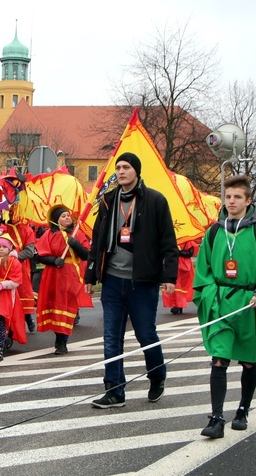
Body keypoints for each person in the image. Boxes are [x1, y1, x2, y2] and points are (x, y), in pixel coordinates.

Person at [193, 175, 256, 438]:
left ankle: (243, 409)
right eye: (228, 197)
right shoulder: (214, 232)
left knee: (248, 361)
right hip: (221, 303)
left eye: (237, 197)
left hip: (249, 304)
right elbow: (202, 272)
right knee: (219, 359)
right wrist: (209, 297)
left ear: (248, 201)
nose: (231, 201)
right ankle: (216, 418)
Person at [85, 152, 178, 409]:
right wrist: (91, 274)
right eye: (118, 167)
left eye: (126, 167)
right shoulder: (107, 201)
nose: (121, 171)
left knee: (146, 334)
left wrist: (169, 276)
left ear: (136, 171)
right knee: (111, 336)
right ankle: (115, 390)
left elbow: (168, 241)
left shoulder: (155, 201)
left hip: (142, 282)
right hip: (113, 280)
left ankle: (157, 376)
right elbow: (97, 241)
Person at [37, 204, 93, 354]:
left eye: (68, 215)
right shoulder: (48, 234)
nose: (67, 217)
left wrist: (75, 245)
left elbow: (86, 255)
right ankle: (59, 338)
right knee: (55, 307)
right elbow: (40, 256)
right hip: (53, 275)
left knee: (67, 306)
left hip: (70, 275)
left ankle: (63, 341)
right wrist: (54, 260)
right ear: (57, 220)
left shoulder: (76, 234)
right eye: (63, 216)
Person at [163, 240, 200, 315]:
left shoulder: (188, 241)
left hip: (184, 266)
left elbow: (190, 253)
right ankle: (177, 305)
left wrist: (178, 252)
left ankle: (179, 305)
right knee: (176, 285)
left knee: (183, 286)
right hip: (174, 264)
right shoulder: (173, 240)